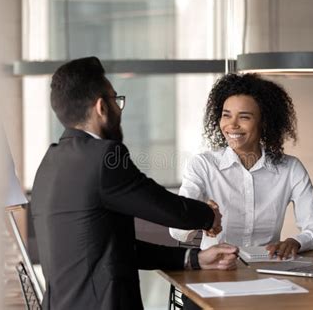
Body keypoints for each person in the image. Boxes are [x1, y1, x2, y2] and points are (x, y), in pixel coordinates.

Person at [30, 57, 238, 310]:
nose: (119, 109)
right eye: (116, 100)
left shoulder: (49, 162)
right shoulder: (103, 157)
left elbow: (115, 249)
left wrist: (194, 259)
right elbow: (164, 207)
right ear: (101, 107)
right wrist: (208, 216)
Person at [169, 73, 313, 260]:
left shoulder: (290, 168)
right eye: (226, 115)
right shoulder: (203, 165)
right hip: (215, 270)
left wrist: (297, 242)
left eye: (244, 117)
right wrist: (201, 216)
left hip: (268, 269)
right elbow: (176, 230)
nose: (232, 125)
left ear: (264, 122)